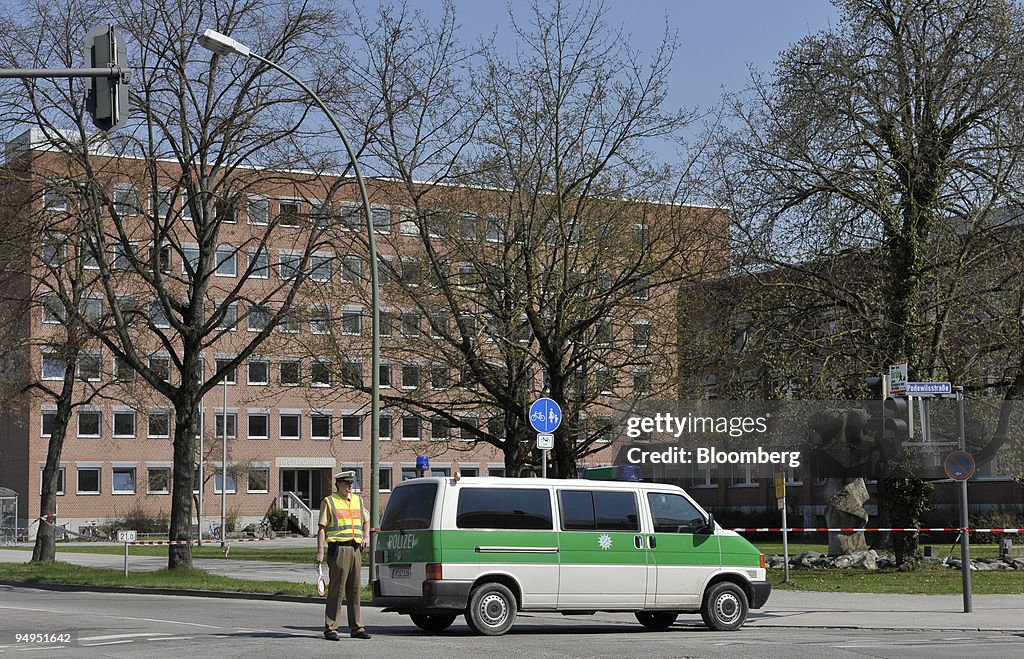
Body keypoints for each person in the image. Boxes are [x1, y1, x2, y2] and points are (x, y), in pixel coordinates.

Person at [316, 470, 371, 640]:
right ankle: (331, 627)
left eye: (351, 483)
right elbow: (322, 528)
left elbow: (366, 519)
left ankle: (357, 627)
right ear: (338, 484)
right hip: (338, 549)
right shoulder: (330, 501)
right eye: (346, 483)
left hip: (355, 549)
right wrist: (320, 551)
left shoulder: (358, 500)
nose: (350, 486)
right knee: (337, 590)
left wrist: (366, 536)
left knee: (355, 590)